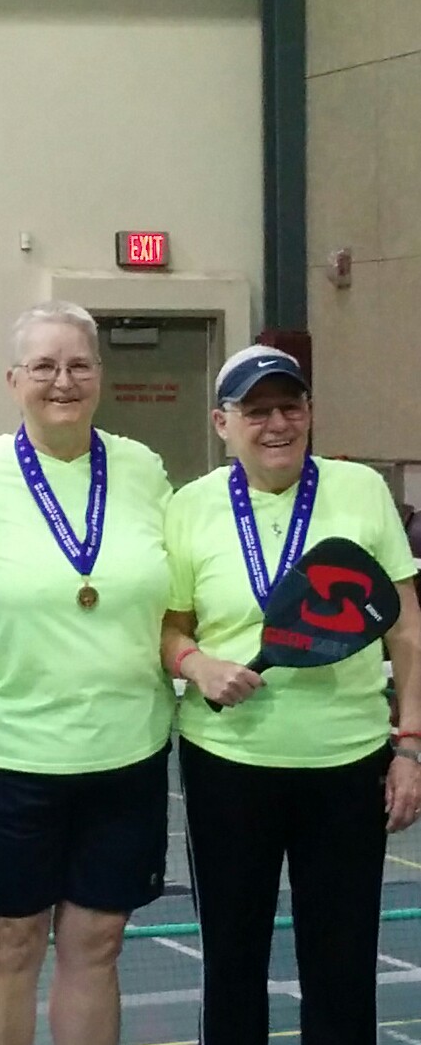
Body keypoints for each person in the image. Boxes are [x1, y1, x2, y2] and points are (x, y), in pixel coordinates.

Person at [0, 301, 174, 1045]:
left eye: (79, 365)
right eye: (44, 366)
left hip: (125, 752)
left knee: (99, 942)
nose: (63, 381)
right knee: (11, 942)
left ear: (100, 375)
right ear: (12, 380)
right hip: (3, 757)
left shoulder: (142, 469)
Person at [160, 345, 421, 1045]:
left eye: (290, 406)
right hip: (227, 765)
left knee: (342, 969)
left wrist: (409, 745)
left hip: (348, 765)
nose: (276, 423)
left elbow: (406, 628)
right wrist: (196, 665)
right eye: (256, 410)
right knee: (232, 963)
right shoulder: (189, 506)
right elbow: (169, 626)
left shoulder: (360, 490)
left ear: (308, 412)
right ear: (221, 422)